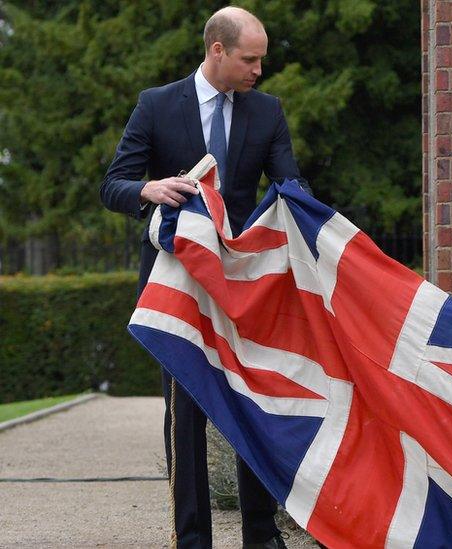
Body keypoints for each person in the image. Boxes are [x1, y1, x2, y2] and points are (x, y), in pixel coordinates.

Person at [100, 7, 308, 549]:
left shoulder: (268, 111)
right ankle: (192, 541)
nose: (259, 69)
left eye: (261, 58)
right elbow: (113, 184)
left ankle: (262, 540)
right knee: (186, 417)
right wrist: (146, 190)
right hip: (176, 286)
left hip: (245, 287)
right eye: (250, 58)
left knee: (252, 407)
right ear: (217, 50)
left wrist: (317, 226)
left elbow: (290, 186)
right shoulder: (156, 104)